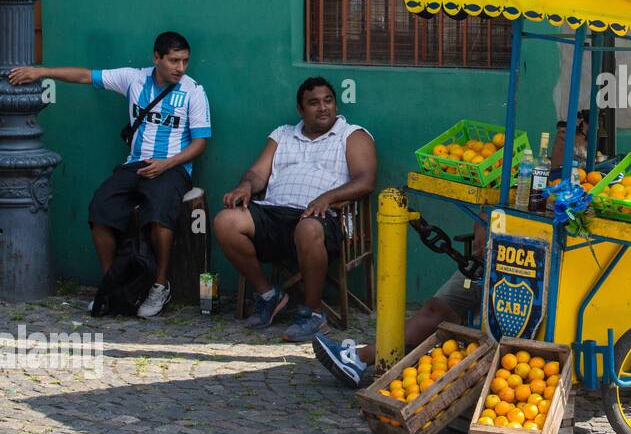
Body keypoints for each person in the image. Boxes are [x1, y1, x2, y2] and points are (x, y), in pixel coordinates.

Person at [5, 32, 211, 317]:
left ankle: (160, 286)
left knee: (160, 215)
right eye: (174, 60)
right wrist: (41, 72)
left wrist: (166, 164)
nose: (181, 68)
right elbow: (84, 76)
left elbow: (200, 143)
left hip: (172, 168)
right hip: (135, 164)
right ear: (157, 58)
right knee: (100, 209)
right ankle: (111, 285)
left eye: (185, 61)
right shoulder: (134, 79)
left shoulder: (193, 91)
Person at [213, 77, 376, 342]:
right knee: (226, 221)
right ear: (301, 109)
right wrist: (245, 186)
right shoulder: (282, 135)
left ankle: (312, 313)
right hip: (274, 213)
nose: (322, 108)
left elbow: (365, 180)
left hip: (323, 218)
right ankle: (268, 294)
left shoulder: (352, 134)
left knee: (309, 227)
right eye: (314, 103)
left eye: (328, 101)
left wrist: (328, 197)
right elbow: (257, 173)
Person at [312, 222, 485, 388]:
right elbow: (484, 212)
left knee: (446, 315)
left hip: (504, 268)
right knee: (436, 309)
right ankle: (359, 359)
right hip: (482, 263)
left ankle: (361, 358)